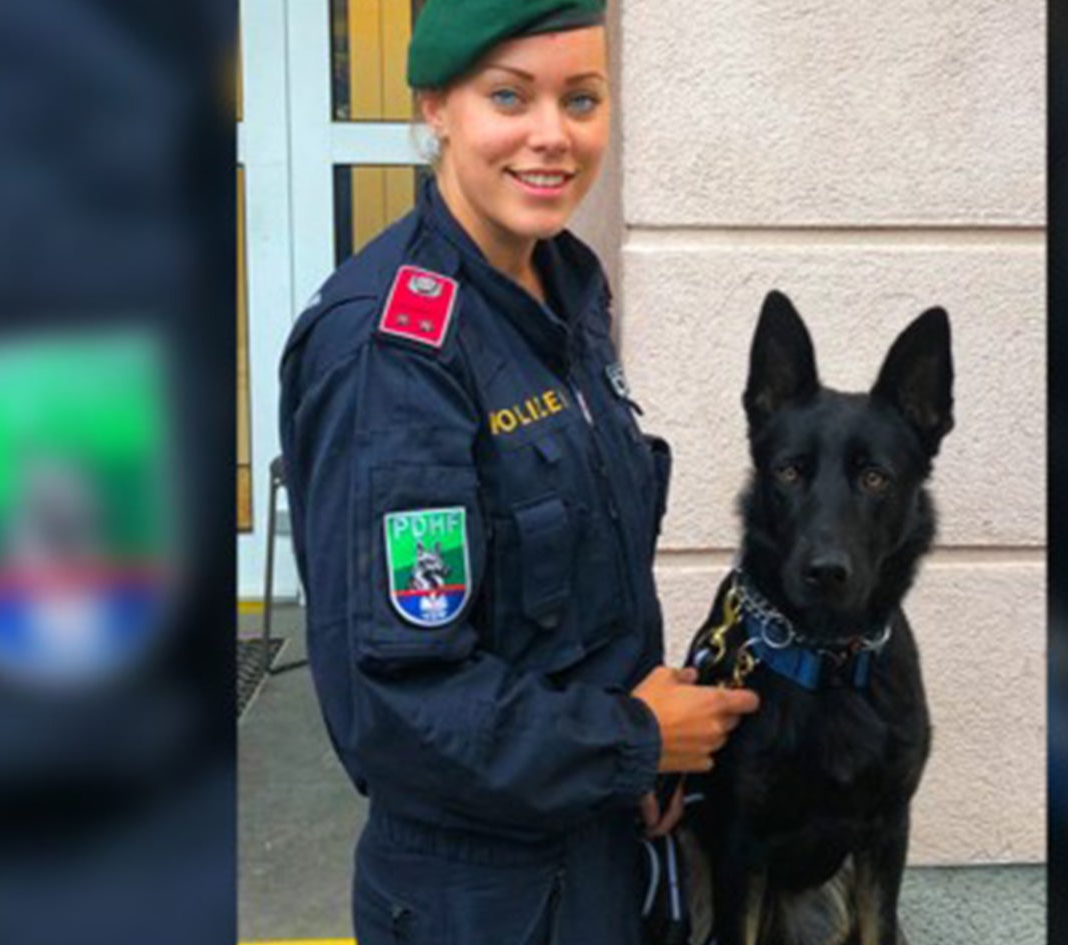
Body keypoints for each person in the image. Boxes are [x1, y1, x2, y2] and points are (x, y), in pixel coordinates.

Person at [276, 1, 761, 942]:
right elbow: (396, 707)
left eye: (581, 99)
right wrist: (633, 738)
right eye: (508, 97)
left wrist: (631, 762)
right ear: (436, 105)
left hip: (599, 852)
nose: (553, 136)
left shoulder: (565, 289)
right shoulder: (393, 353)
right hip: (484, 899)